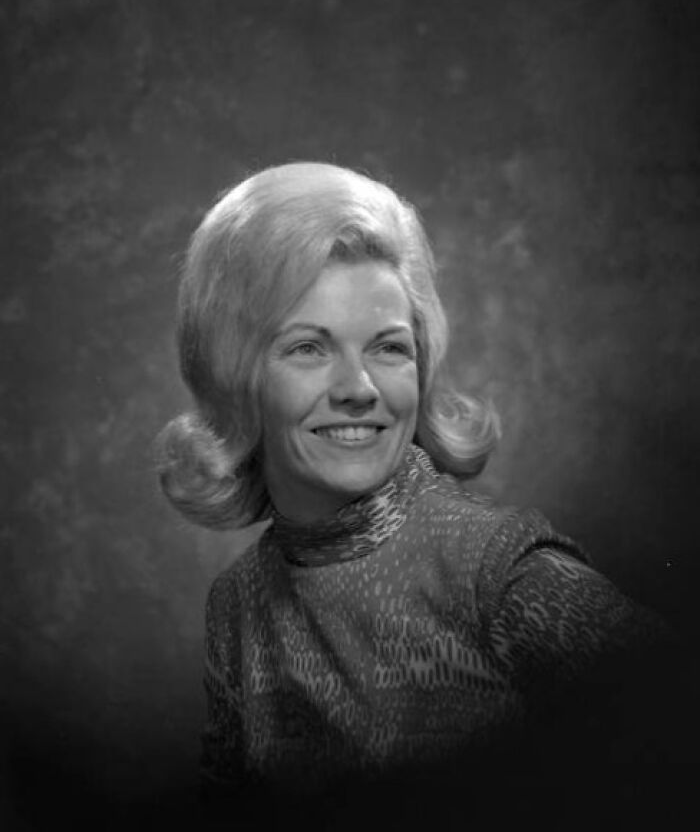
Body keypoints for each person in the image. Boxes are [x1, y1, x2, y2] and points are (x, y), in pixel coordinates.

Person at [156, 162, 682, 828]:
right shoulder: (236, 603)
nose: (358, 388)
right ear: (234, 378)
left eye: (388, 348)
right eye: (309, 347)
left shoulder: (499, 572)